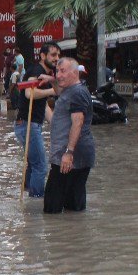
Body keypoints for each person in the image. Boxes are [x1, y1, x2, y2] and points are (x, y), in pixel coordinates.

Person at [43, 57, 96, 213]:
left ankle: (62, 235)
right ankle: (74, 234)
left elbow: (78, 122)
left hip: (70, 156)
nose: (59, 75)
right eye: (57, 71)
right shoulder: (71, 90)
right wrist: (52, 80)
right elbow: (60, 92)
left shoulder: (77, 93)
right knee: (73, 207)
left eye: (63, 71)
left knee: (52, 206)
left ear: (75, 72)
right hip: (71, 155)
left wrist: (69, 153)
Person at [14, 42, 60, 199]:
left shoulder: (44, 74)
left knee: (34, 165)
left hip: (29, 124)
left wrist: (55, 123)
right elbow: (29, 93)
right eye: (53, 55)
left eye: (58, 55)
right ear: (43, 56)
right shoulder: (37, 70)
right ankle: (37, 200)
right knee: (40, 165)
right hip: (28, 124)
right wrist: (54, 90)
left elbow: (43, 105)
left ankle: (29, 198)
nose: (56, 59)